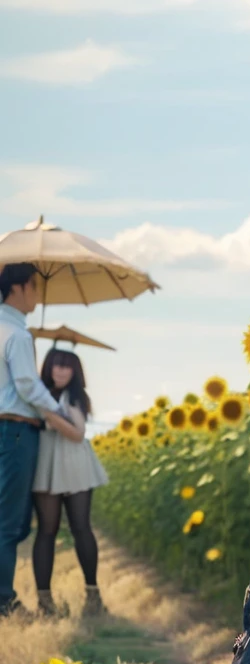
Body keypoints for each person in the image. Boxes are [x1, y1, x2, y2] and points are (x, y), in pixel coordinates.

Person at [0, 262, 77, 618]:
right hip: (16, 430)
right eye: (35, 286)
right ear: (18, 287)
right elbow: (28, 385)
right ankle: (5, 601)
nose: (37, 294)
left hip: (9, 428)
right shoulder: (16, 334)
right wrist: (57, 412)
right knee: (10, 521)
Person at [32, 346, 109, 618]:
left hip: (75, 464)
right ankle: (45, 602)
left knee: (81, 527)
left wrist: (49, 413)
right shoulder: (37, 392)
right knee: (46, 530)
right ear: (48, 367)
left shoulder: (75, 396)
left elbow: (77, 433)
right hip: (47, 463)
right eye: (56, 364)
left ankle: (93, 596)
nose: (61, 370)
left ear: (75, 370)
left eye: (67, 365)